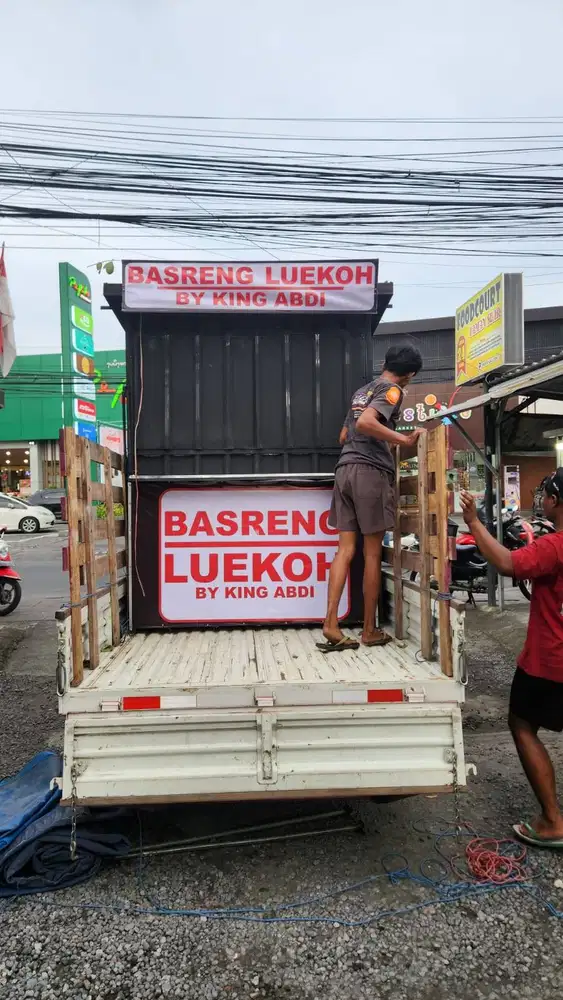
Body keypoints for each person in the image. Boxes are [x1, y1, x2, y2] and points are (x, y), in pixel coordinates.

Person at [460, 471, 563, 847]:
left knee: (521, 724)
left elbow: (508, 563)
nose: (541, 500)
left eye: (546, 494)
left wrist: (472, 522)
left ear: (556, 500)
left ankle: (552, 820)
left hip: (550, 661)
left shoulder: (554, 546)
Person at [319, 344, 424, 653]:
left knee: (344, 551)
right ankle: (369, 630)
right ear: (410, 375)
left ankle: (330, 623)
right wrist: (403, 439)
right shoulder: (392, 391)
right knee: (372, 554)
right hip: (370, 473)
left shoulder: (361, 391)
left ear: (385, 363)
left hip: (345, 469)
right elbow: (366, 423)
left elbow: (345, 435)